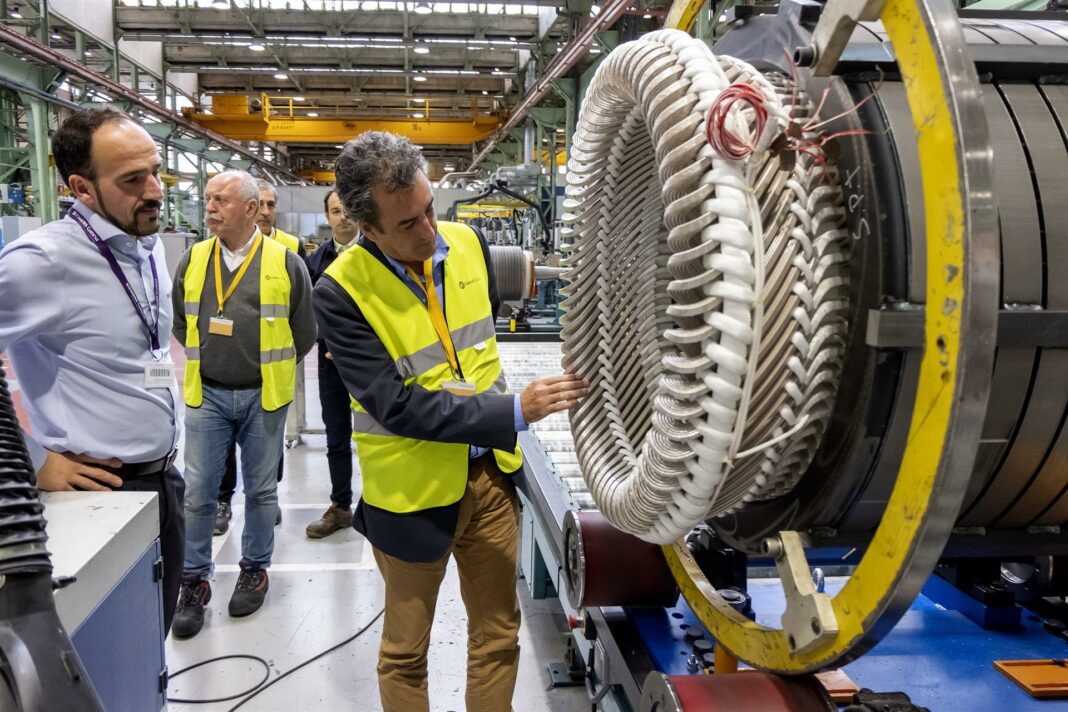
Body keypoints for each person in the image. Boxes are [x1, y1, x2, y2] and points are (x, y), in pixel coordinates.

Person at [315, 132, 588, 712]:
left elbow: (475, 348)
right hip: (412, 495)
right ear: (367, 227)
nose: (428, 230)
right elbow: (397, 405)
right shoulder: (340, 292)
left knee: (498, 637)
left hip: (489, 478)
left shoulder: (467, 243)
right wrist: (513, 411)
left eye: (429, 209)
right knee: (405, 653)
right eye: (407, 223)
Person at [0, 107, 185, 636]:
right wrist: (34, 461)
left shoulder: (144, 243)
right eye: (132, 180)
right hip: (97, 492)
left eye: (156, 172)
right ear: (81, 188)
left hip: (163, 480)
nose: (154, 191)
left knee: (152, 647)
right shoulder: (42, 262)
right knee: (112, 654)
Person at [170, 170, 316, 638]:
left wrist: (264, 366)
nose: (210, 207)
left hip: (263, 394)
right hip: (207, 394)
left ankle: (254, 569)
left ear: (251, 209)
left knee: (261, 491)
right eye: (208, 198)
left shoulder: (286, 262)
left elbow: (304, 330)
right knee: (198, 492)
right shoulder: (194, 258)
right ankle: (194, 581)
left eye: (221, 200)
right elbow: (180, 321)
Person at [213, 178, 302, 535]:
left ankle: (267, 495)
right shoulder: (212, 251)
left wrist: (286, 356)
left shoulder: (290, 247)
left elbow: (302, 315)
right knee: (222, 444)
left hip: (269, 372)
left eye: (271, 205)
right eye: (260, 204)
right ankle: (223, 499)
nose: (265, 212)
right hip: (223, 369)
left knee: (269, 445)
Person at [303, 189, 359, 538]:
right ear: (328, 217)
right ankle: (341, 506)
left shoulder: (379, 253)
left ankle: (385, 506)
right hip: (330, 362)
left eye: (348, 209)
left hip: (372, 363)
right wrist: (328, 341)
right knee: (337, 436)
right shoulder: (315, 261)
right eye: (336, 211)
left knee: (383, 433)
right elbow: (310, 310)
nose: (344, 216)